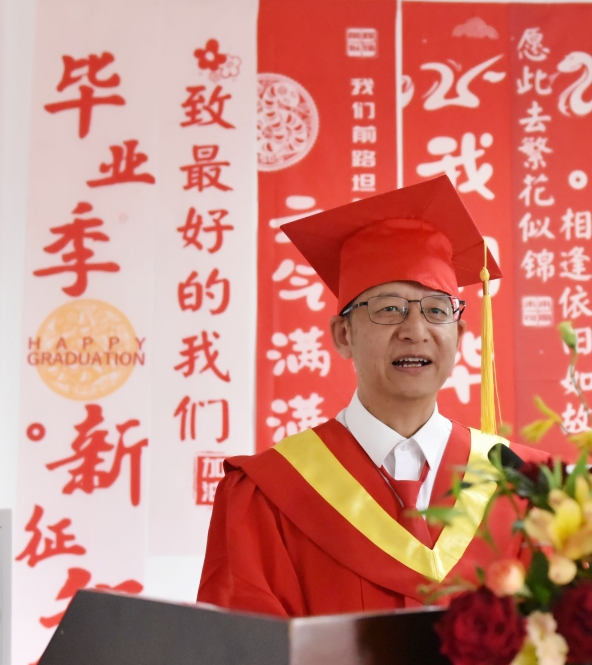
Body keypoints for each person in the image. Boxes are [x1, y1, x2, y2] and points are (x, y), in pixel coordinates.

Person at [197, 176, 545, 617]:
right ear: (343, 335)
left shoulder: (526, 487)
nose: (415, 330)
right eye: (388, 309)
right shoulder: (269, 494)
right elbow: (242, 651)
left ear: (459, 336)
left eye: (436, 310)